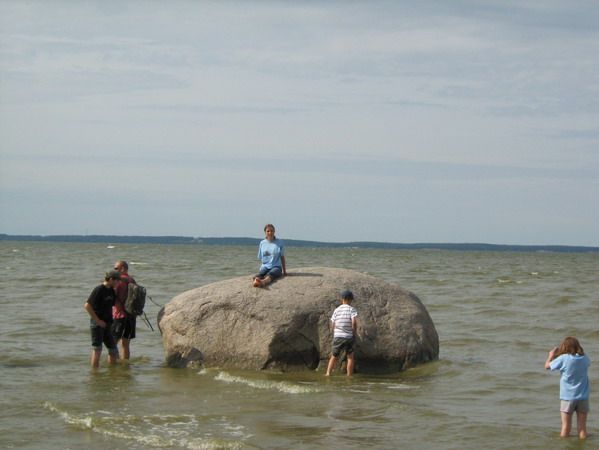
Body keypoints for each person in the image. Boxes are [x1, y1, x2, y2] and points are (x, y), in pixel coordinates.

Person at [545, 336, 591, 439]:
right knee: (582, 428)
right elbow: (578, 362)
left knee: (565, 427)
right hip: (583, 397)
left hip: (568, 397)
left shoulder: (563, 358)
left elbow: (547, 366)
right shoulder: (585, 358)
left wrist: (551, 356)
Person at [84, 270, 120, 368]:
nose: (118, 283)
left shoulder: (111, 290)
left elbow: (111, 306)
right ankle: (95, 374)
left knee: (113, 350)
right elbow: (87, 306)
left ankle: (112, 372)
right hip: (97, 323)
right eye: (117, 281)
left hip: (107, 323)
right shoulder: (99, 289)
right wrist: (97, 320)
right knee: (97, 349)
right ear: (111, 279)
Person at [325, 290, 358, 376]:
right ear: (351, 300)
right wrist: (354, 331)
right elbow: (354, 322)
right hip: (348, 336)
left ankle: (328, 373)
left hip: (338, 336)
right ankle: (349, 375)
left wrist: (335, 330)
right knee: (350, 357)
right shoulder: (351, 309)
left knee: (334, 356)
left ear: (341, 299)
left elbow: (333, 323)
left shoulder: (337, 310)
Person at [111, 261, 137, 360]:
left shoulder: (119, 281)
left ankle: (113, 364)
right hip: (131, 316)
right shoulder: (132, 280)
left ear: (122, 269)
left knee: (112, 342)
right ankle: (125, 366)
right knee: (125, 343)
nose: (114, 270)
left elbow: (112, 297)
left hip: (120, 316)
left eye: (116, 268)